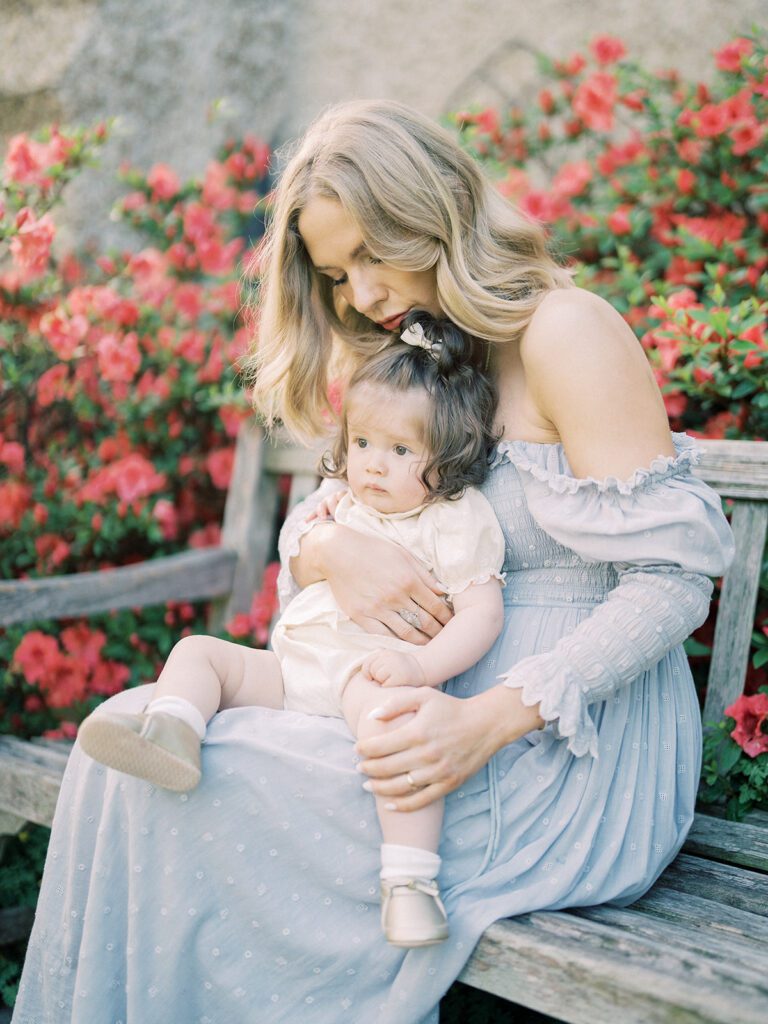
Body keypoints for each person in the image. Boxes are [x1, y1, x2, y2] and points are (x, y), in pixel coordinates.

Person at [13, 99, 734, 1024]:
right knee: (132, 745)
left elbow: (675, 584)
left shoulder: (567, 332)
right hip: (419, 707)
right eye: (334, 273)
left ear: (427, 214)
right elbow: (324, 528)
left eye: (367, 255)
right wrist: (328, 548)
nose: (357, 295)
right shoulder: (432, 355)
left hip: (565, 752)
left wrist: (481, 726)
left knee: (193, 784)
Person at [75, 313, 507, 948]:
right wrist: (326, 523)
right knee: (198, 650)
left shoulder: (454, 518)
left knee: (399, 740)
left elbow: (482, 614)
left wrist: (421, 669)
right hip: (294, 670)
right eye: (362, 443)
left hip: (369, 676)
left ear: (448, 458)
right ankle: (172, 731)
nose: (374, 467)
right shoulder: (344, 499)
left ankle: (410, 883)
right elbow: (301, 547)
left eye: (400, 450)